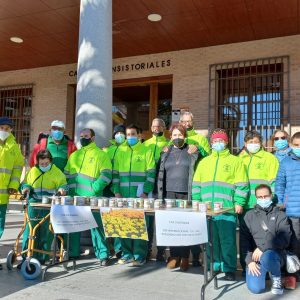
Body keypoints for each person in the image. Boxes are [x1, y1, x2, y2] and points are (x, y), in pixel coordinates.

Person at [192, 128, 249, 280]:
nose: (218, 143)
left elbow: (242, 185)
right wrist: (197, 202)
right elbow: (196, 184)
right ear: (211, 143)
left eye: (221, 140)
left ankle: (229, 268)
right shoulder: (204, 162)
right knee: (211, 241)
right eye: (215, 141)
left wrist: (239, 202)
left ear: (226, 142)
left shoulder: (235, 161)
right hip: (207, 210)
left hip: (227, 210)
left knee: (227, 241)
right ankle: (214, 266)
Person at [64, 128, 112, 266]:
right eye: (81, 136)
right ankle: (73, 253)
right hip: (74, 197)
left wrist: (93, 190)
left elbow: (106, 175)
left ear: (93, 138)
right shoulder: (74, 155)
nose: (83, 138)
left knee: (96, 227)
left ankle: (103, 254)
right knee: (74, 226)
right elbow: (66, 175)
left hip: (93, 198)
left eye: (86, 136)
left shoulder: (100, 155)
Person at [112, 124, 155, 266]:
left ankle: (139, 255)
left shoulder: (146, 150)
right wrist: (116, 191)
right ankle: (126, 254)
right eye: (128, 134)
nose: (130, 137)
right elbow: (115, 173)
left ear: (139, 136)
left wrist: (146, 191)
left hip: (140, 195)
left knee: (139, 226)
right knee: (123, 224)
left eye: (133, 134)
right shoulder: (120, 150)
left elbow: (151, 173)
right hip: (123, 195)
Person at [157, 124, 199, 271]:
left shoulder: (192, 150)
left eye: (180, 135)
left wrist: (197, 146)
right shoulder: (165, 152)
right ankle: (174, 256)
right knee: (172, 225)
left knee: (185, 226)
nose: (177, 138)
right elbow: (159, 171)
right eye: (174, 135)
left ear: (185, 136)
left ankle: (185, 257)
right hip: (169, 193)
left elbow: (204, 156)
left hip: (185, 193)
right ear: (170, 137)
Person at [239, 130, 279, 274]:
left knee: (263, 236)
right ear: (245, 144)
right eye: (250, 142)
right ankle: (247, 267)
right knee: (246, 238)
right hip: (245, 205)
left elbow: (274, 182)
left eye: (256, 142)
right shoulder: (241, 159)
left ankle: (265, 269)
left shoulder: (269, 158)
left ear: (261, 143)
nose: (253, 145)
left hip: (263, 205)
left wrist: (270, 200)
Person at [240, 184, 291, 295]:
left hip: (275, 255)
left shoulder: (281, 215)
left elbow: (284, 238)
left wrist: (262, 248)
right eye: (260, 197)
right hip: (256, 258)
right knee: (255, 289)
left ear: (271, 196)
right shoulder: (249, 216)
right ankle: (265, 273)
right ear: (256, 198)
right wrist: (249, 261)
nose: (263, 199)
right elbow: (244, 241)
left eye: (266, 196)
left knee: (268, 256)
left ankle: (277, 277)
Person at [21, 150, 67, 263]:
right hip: (33, 205)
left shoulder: (57, 172)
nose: (44, 166)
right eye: (42, 164)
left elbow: (63, 185)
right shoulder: (33, 171)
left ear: (50, 161)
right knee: (29, 232)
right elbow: (26, 183)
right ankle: (26, 258)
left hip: (48, 206)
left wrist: (62, 189)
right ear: (38, 162)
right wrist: (26, 188)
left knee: (46, 233)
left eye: (46, 163)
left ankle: (42, 258)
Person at [0, 116, 24, 270]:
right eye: (1, 127)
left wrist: (14, 185)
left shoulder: (14, 147)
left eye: (7, 128)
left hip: (2, 196)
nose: (3, 130)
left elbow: (17, 168)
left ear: (11, 130)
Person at [276, 131, 300, 281]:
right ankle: (293, 274)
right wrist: (280, 202)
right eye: (297, 145)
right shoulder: (285, 162)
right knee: (294, 243)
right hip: (292, 210)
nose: (299, 147)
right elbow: (280, 184)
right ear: (291, 145)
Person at [143, 118, 169, 261]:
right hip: (148, 187)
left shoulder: (168, 144)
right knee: (148, 220)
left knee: (161, 220)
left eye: (159, 126)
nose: (156, 128)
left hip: (162, 187)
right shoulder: (145, 145)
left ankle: (161, 251)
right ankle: (147, 250)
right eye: (153, 126)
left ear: (164, 127)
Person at [103, 124, 128, 258]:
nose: (119, 135)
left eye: (122, 133)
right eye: (117, 133)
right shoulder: (109, 150)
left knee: (119, 218)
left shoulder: (127, 149)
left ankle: (119, 249)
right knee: (107, 219)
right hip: (107, 188)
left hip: (119, 188)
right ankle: (109, 248)